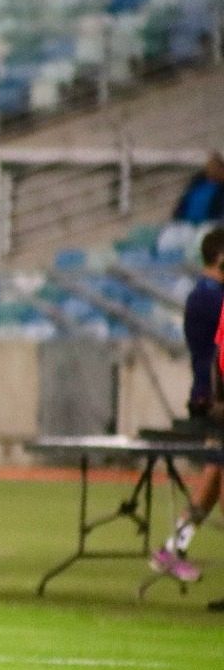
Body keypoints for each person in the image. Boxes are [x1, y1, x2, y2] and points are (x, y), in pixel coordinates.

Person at [151, 227, 224, 584]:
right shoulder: (212, 297)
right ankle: (172, 548)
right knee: (219, 479)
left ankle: (172, 547)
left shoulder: (206, 294)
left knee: (213, 478)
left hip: (210, 397)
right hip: (216, 401)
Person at [173, 152, 224, 225]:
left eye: (215, 167)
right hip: (186, 222)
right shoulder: (198, 182)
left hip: (211, 223)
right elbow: (184, 201)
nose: (211, 169)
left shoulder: (220, 189)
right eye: (210, 166)